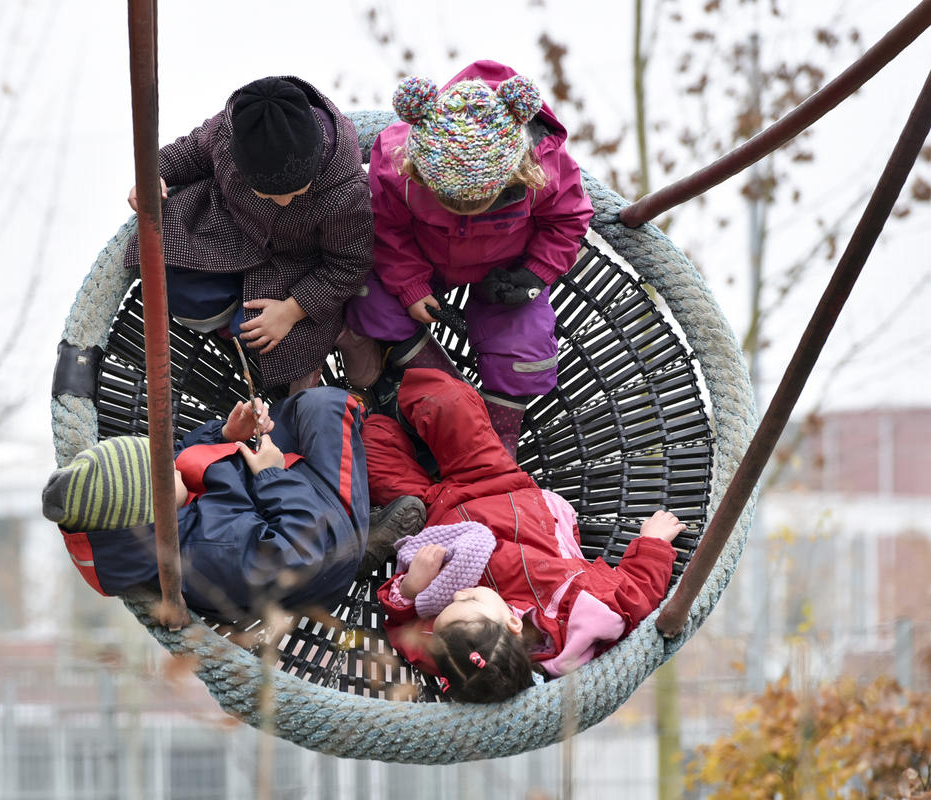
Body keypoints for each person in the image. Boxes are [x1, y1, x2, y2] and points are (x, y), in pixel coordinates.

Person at [362, 368, 684, 702]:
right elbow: (638, 592)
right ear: (512, 625)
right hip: (499, 485)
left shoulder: (452, 653)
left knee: (369, 450)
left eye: (447, 613)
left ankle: (380, 409)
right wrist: (654, 543)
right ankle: (400, 384)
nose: (459, 596)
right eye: (471, 599)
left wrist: (411, 588)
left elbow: (403, 632)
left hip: (433, 518)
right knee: (446, 400)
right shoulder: (586, 617)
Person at [341, 60, 593, 457]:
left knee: (527, 349)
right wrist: (410, 286)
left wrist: (533, 275)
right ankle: (437, 384)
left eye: (477, 203)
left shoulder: (543, 165)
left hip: (505, 274)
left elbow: (569, 220)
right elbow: (386, 230)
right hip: (425, 260)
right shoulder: (396, 162)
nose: (463, 211)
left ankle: (495, 432)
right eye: (451, 202)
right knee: (364, 294)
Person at [42, 389, 422, 621]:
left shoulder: (152, 515)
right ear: (151, 512)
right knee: (329, 410)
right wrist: (272, 476)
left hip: (264, 493)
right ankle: (361, 545)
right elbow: (301, 549)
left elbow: (181, 456)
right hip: (321, 548)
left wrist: (223, 435)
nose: (173, 463)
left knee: (304, 410)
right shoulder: (210, 550)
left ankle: (356, 491)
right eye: (164, 471)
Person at [125, 75, 373, 396]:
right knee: (178, 286)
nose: (284, 201)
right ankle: (230, 321)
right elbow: (192, 152)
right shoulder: (227, 135)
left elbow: (349, 264)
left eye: (298, 191)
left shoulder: (344, 190)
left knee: (269, 336)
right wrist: (154, 171)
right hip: (231, 229)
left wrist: (292, 310)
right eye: (268, 193)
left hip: (297, 266)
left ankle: (341, 334)